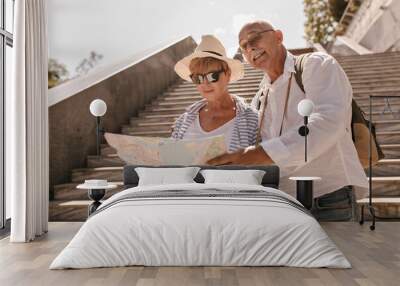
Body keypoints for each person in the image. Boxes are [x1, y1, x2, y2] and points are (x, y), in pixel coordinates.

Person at [207, 21, 368, 219]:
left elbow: (327, 122)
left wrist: (260, 154)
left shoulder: (316, 64)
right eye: (243, 47)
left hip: (328, 198)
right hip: (281, 202)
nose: (250, 48)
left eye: (255, 38)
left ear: (278, 37)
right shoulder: (260, 97)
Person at [172, 35, 258, 153]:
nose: (205, 83)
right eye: (198, 78)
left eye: (212, 76)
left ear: (227, 74)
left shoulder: (252, 119)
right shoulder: (183, 121)